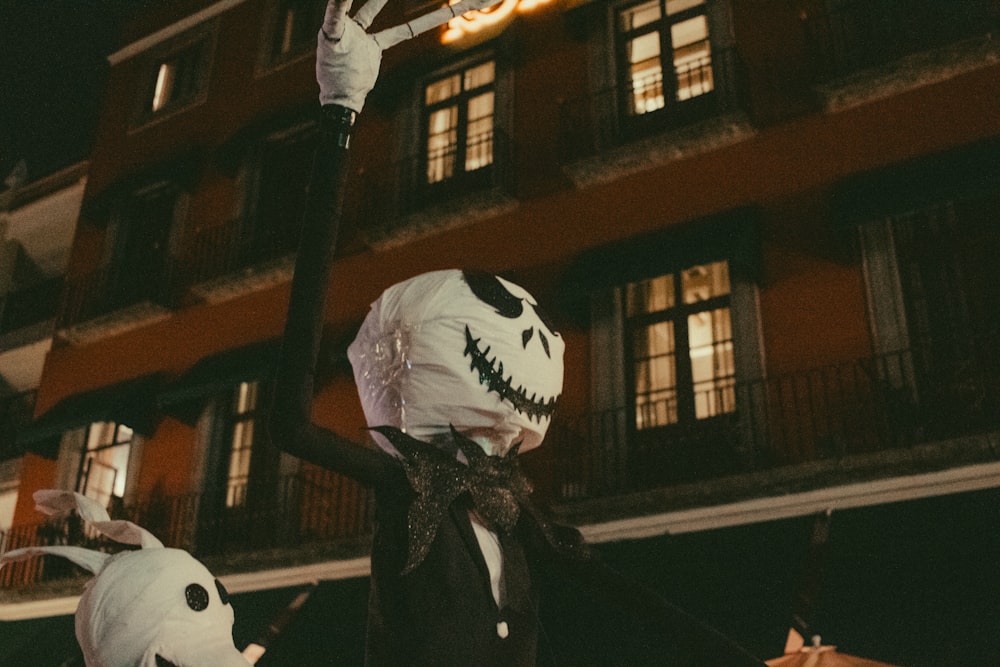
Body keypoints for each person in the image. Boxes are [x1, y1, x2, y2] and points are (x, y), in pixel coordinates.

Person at [268, 1, 768, 664]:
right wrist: (339, 112)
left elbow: (631, 602)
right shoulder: (409, 488)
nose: (540, 343)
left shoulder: (507, 505)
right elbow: (291, 424)